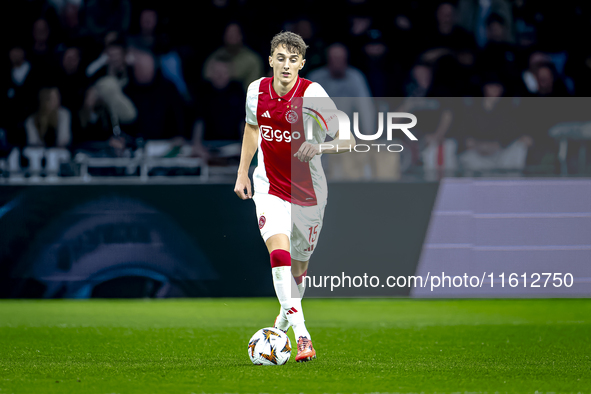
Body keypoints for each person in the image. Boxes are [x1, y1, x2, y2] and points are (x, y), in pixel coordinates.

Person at [234, 31, 355, 362]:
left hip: (308, 194)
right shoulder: (256, 91)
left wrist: (321, 145)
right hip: (269, 187)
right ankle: (303, 338)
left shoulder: (313, 94)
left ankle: (282, 323)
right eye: (280, 58)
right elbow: (252, 128)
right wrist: (243, 171)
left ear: (301, 64)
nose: (286, 65)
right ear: (271, 59)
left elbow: (348, 140)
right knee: (280, 257)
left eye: (293, 60)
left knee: (298, 273)